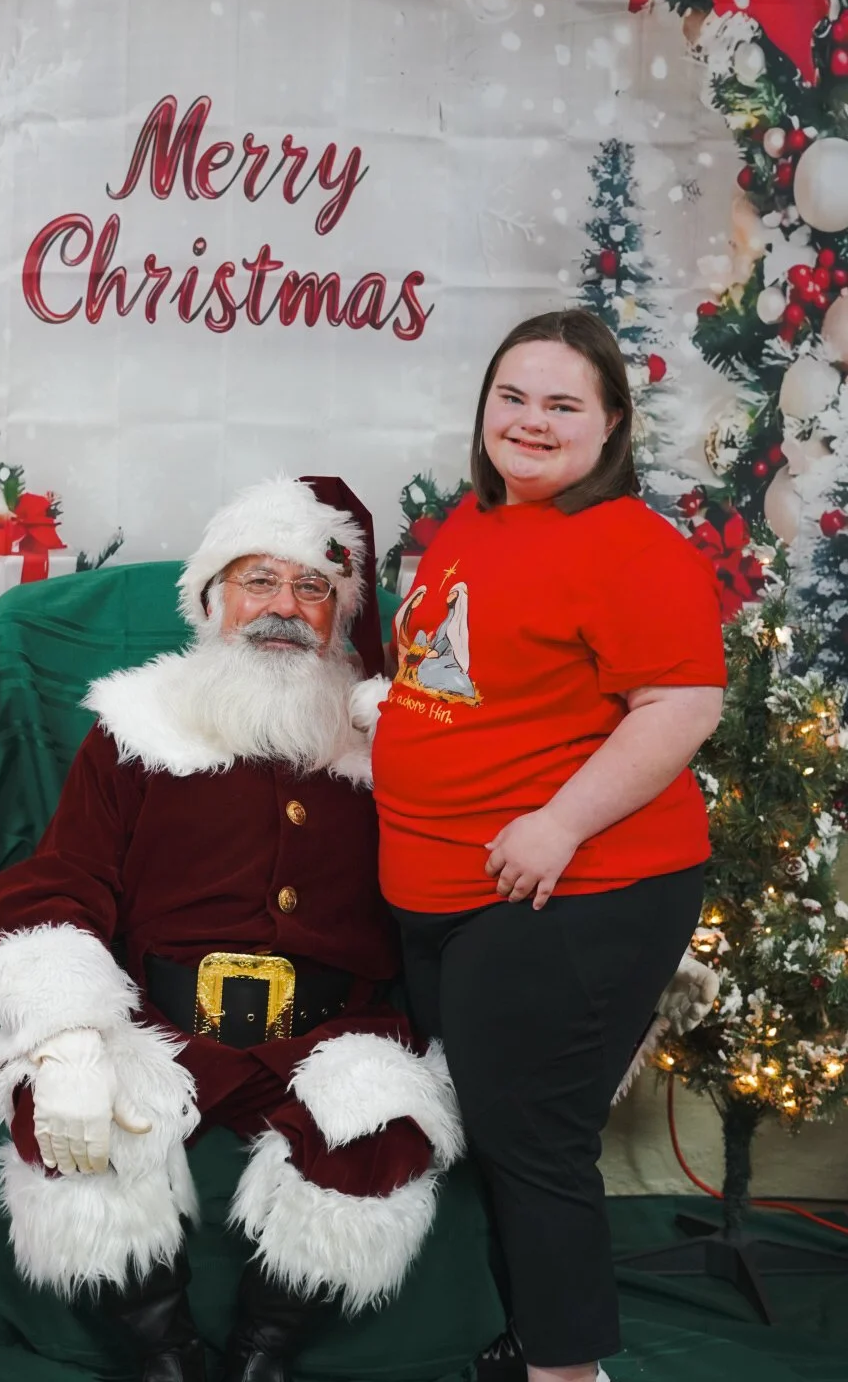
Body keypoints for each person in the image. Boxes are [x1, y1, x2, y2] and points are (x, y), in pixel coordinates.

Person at [0, 475, 463, 1382]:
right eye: (259, 580)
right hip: (166, 1022)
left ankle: (265, 1355)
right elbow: (65, 879)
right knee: (63, 1116)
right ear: (211, 597)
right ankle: (166, 1356)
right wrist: (68, 1030)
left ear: (340, 615)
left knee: (383, 1122)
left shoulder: (387, 746)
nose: (284, 607)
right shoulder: (135, 731)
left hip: (331, 1030)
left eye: (313, 588)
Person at [369, 310, 727, 1382]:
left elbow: (682, 704)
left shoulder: (628, 545)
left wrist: (563, 820)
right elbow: (470, 673)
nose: (531, 421)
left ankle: (568, 1371)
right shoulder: (480, 519)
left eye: (563, 403)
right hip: (451, 888)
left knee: (532, 1137)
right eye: (512, 397)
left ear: (609, 422)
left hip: (577, 887)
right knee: (489, 1125)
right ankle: (523, 1337)